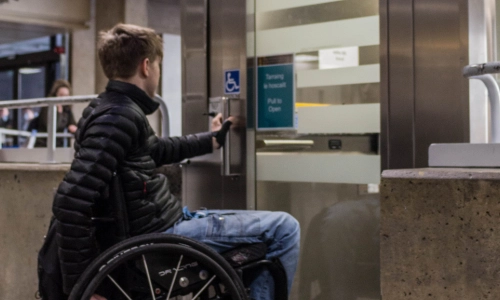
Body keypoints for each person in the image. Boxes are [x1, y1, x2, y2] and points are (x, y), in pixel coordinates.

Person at [51, 23, 300, 300]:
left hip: (163, 225)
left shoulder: (112, 109)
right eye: (158, 65)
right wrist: (83, 285)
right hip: (160, 235)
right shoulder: (117, 117)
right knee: (284, 228)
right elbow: (71, 199)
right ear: (146, 66)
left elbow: (157, 150)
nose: (157, 72)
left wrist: (212, 140)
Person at [28, 79, 77, 147]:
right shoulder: (47, 107)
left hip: (58, 146)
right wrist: (58, 112)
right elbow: (50, 127)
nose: (64, 98)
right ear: (55, 94)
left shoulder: (67, 110)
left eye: (66, 95)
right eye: (61, 95)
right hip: (43, 145)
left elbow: (72, 125)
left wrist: (74, 128)